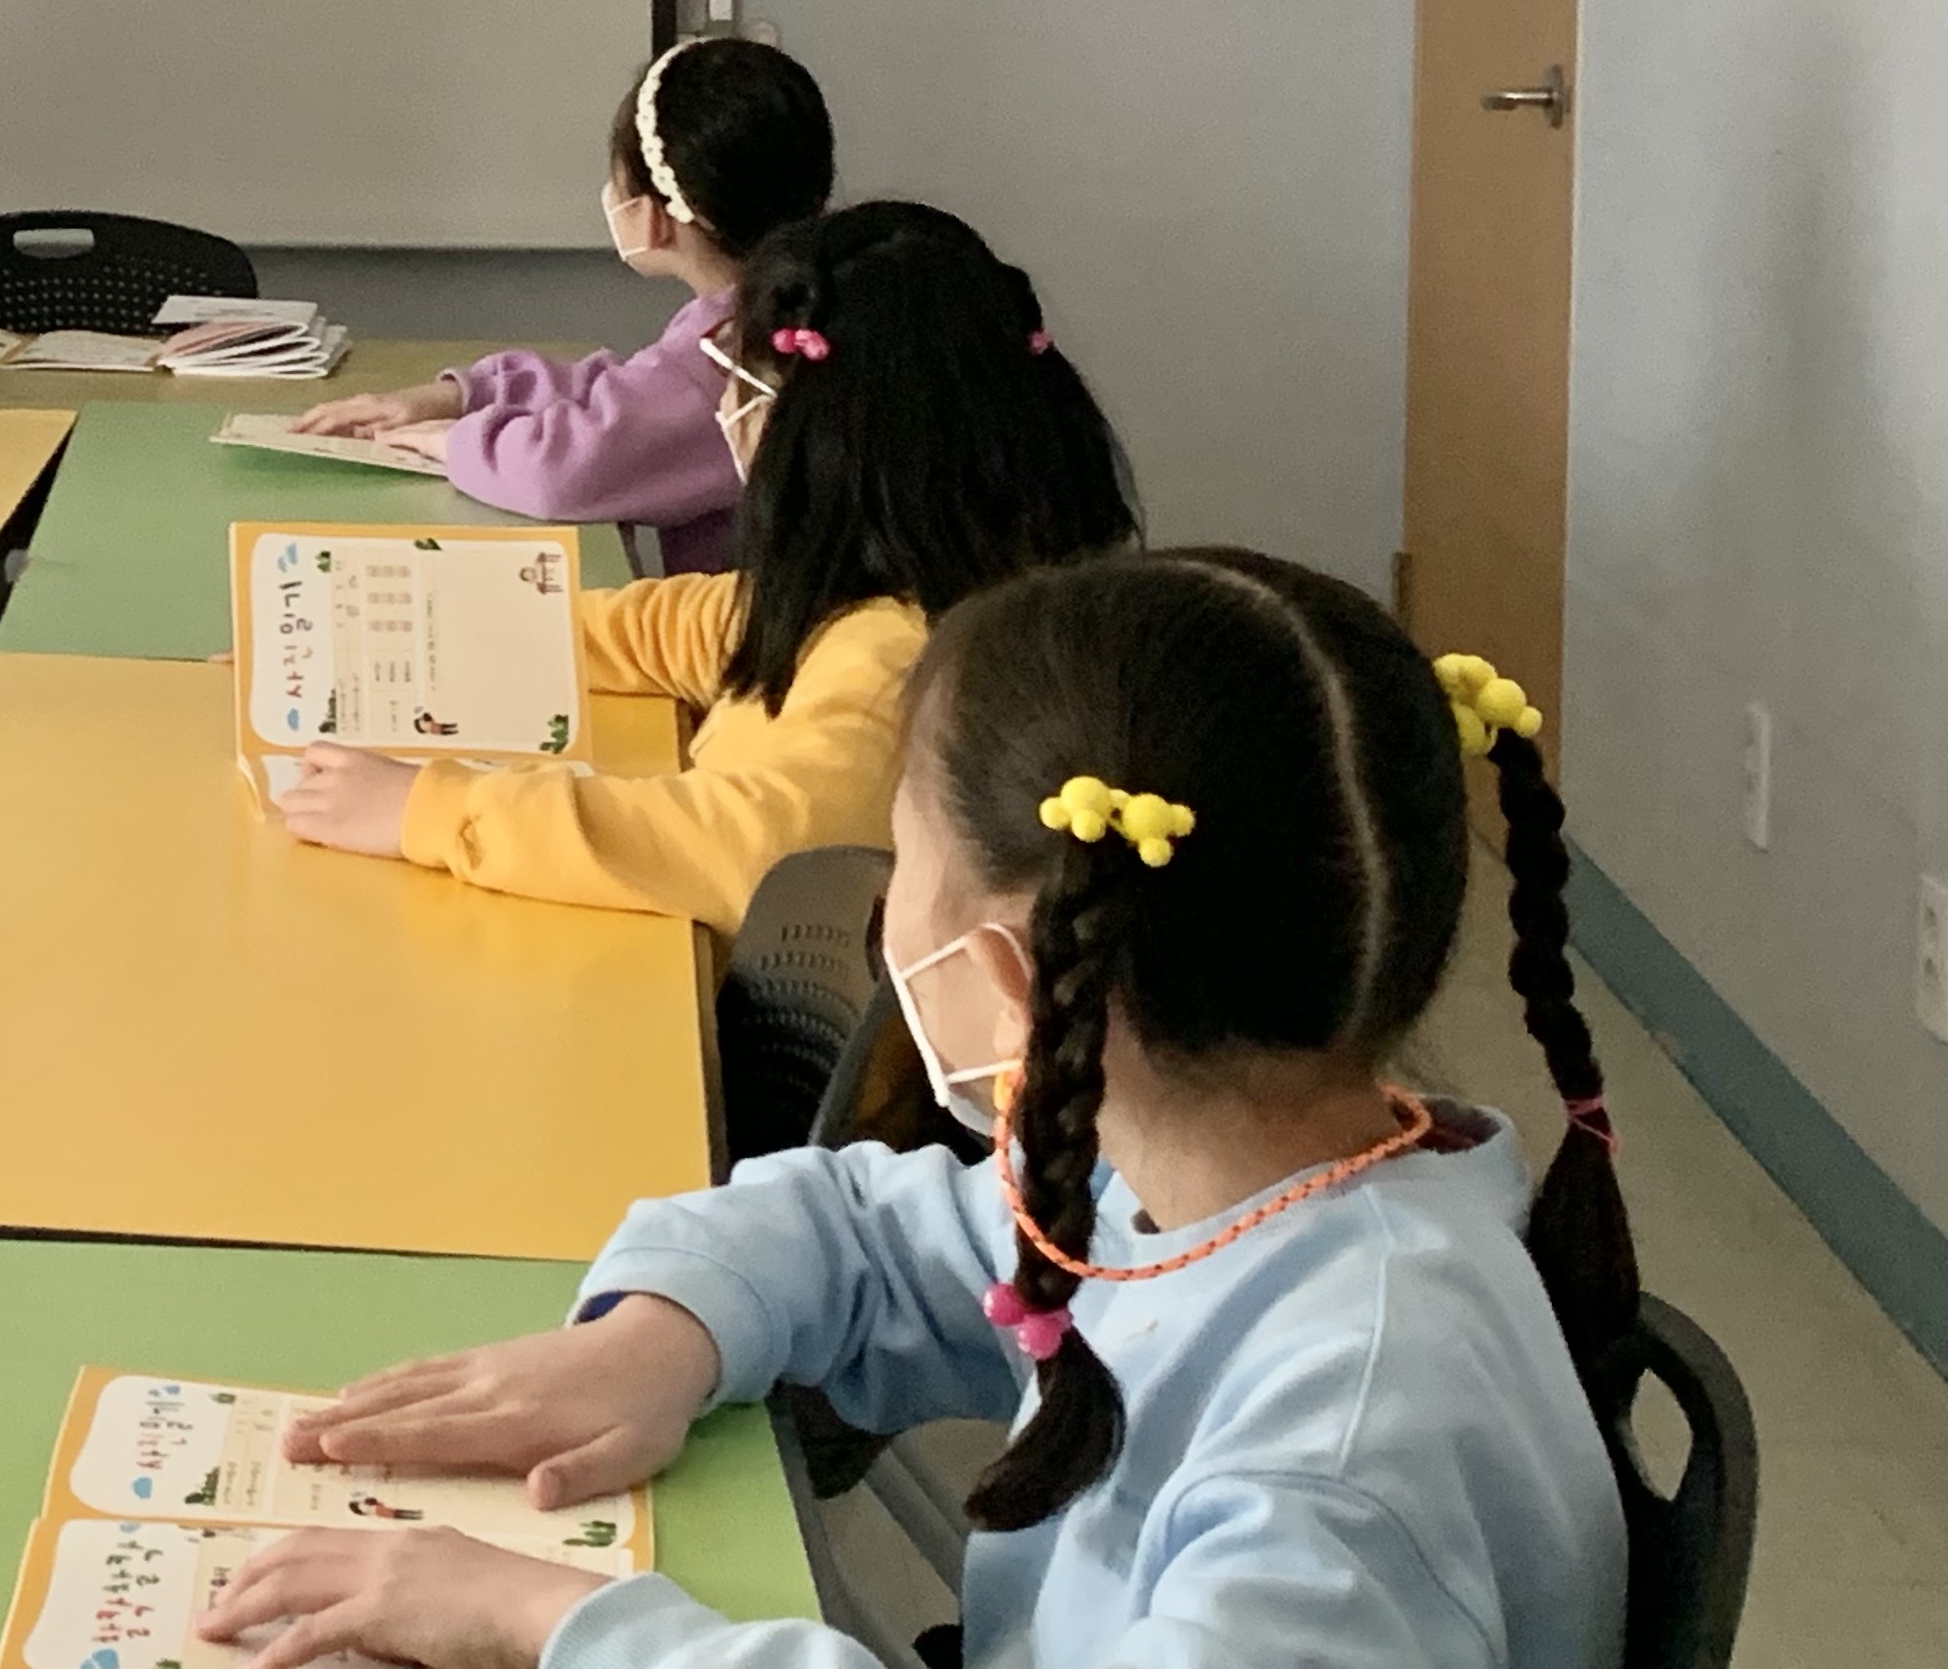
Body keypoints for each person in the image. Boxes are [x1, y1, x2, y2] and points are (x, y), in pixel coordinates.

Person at [195, 551, 1636, 1669]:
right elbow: (876, 1232)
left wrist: (558, 1625)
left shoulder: (1345, 1464)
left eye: (900, 865)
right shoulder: (1209, 1177)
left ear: (1007, 979)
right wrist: (660, 1335)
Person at [271, 201, 1135, 932]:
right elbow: (683, 627)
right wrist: (407, 637)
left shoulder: (892, 657)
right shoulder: (875, 596)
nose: (724, 409)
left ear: (819, 439)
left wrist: (430, 809)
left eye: (741, 386)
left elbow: (744, 847)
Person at [294, 38, 832, 573]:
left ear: (655, 215)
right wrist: (463, 395)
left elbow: (563, 471)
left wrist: (456, 443)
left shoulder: (726, 362)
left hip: (750, 626)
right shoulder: (808, 301)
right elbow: (625, 392)